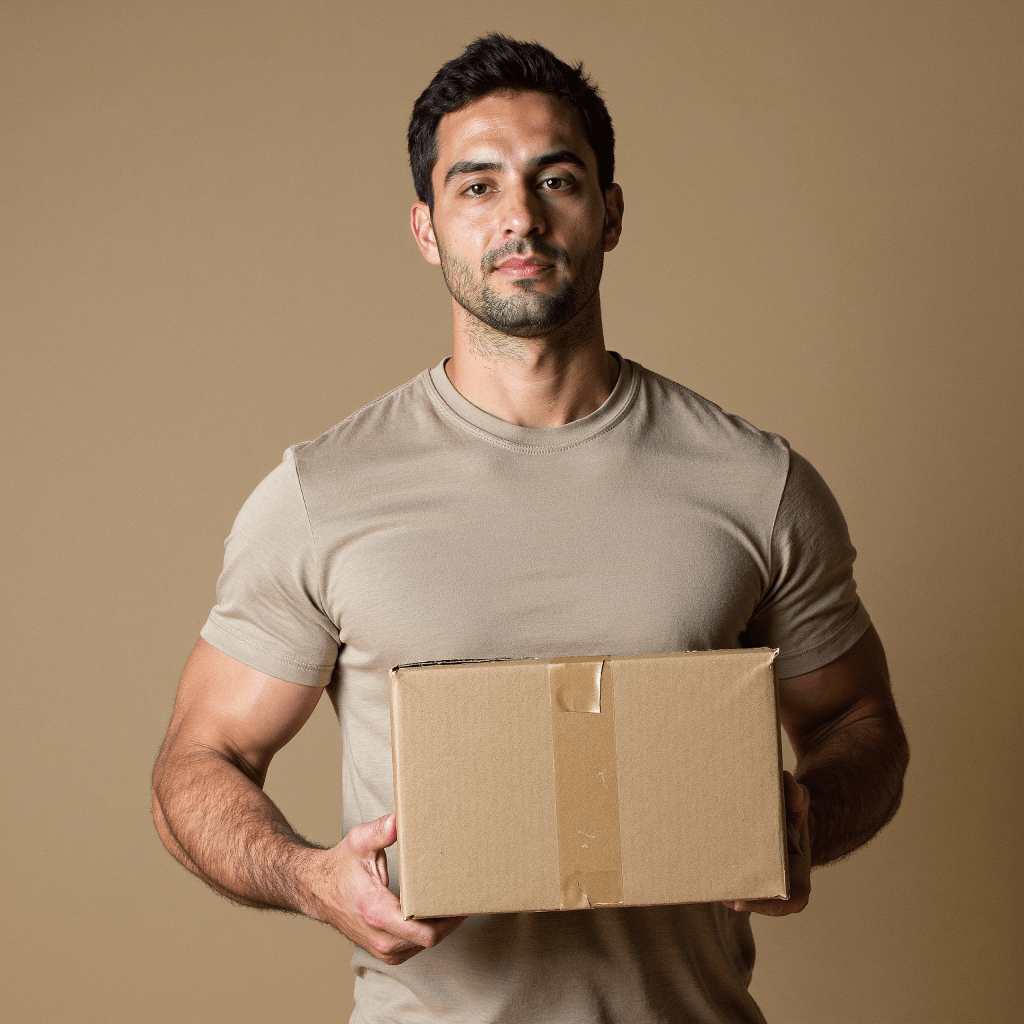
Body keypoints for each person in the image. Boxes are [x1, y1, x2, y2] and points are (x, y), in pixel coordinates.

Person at [152, 34, 909, 1024]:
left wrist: (803, 816)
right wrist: (311, 879)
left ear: (610, 212)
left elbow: (861, 728)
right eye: (476, 187)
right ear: (426, 229)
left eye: (555, 178)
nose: (519, 215)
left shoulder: (754, 482)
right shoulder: (322, 494)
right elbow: (197, 760)